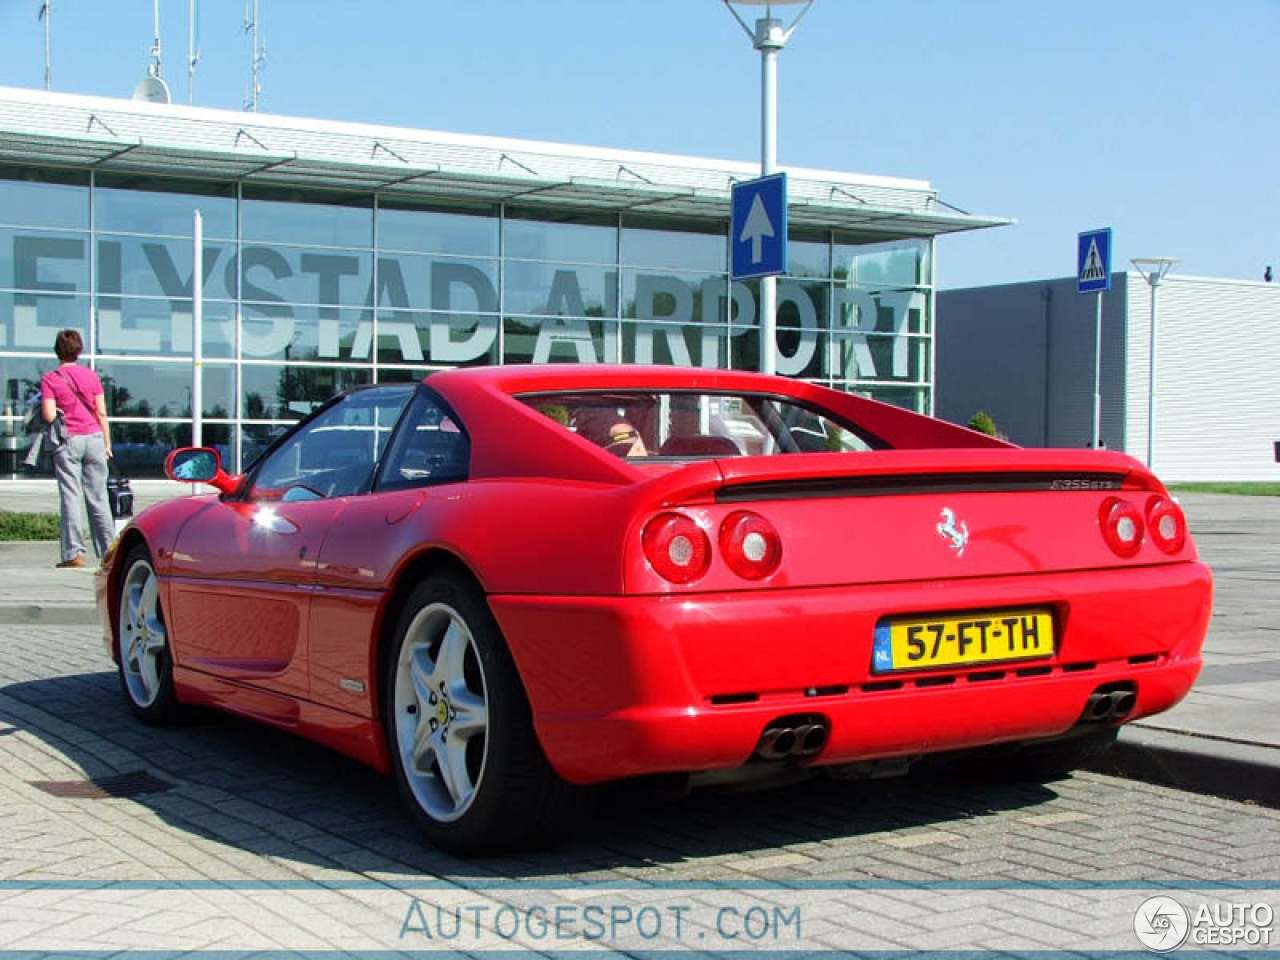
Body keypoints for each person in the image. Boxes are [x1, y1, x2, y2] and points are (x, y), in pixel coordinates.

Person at [40, 329, 114, 568]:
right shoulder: (91, 377)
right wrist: (107, 443)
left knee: (70, 496)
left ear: (57, 351)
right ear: (79, 351)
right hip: (94, 437)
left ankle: (73, 553)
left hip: (68, 440)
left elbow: (49, 415)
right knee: (98, 496)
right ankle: (108, 553)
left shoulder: (50, 379)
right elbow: (101, 412)